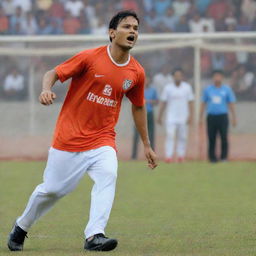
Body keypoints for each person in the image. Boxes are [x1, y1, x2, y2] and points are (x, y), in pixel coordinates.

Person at [7, 10, 157, 252]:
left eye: (136, 28)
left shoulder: (136, 72)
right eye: (127, 27)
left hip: (103, 139)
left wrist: (147, 145)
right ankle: (21, 226)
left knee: (109, 175)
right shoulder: (90, 58)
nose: (132, 32)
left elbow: (138, 107)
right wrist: (46, 89)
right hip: (69, 138)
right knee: (54, 190)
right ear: (112, 33)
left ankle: (94, 236)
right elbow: (53, 73)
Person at [200, 70, 237, 163]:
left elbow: (231, 103)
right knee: (211, 137)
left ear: (222, 78)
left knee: (224, 137)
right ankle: (212, 158)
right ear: (213, 78)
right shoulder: (208, 89)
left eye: (219, 76)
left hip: (223, 116)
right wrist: (200, 117)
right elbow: (203, 103)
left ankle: (224, 157)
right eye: (215, 76)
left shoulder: (226, 89)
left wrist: (234, 117)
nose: (217, 78)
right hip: (211, 116)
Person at [158, 68, 194, 163]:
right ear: (173, 77)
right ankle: (168, 156)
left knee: (183, 137)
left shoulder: (187, 87)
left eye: (179, 75)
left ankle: (181, 156)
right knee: (170, 136)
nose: (178, 77)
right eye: (176, 75)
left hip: (183, 117)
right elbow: (163, 103)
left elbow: (190, 102)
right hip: (171, 117)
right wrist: (159, 116)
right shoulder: (168, 88)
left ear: (182, 77)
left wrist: (191, 116)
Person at [131, 76, 158, 159]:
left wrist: (148, 101)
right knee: (136, 134)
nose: (147, 82)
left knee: (151, 134)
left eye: (148, 80)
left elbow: (156, 101)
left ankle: (152, 154)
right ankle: (134, 155)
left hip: (149, 113)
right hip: (140, 114)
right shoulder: (139, 89)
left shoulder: (153, 90)